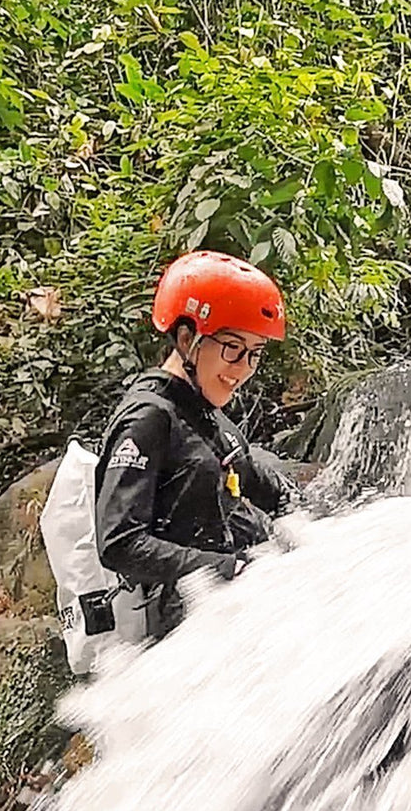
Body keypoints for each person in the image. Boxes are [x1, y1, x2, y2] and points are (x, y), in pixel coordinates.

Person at [93, 250, 295, 641]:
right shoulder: (148, 419)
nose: (242, 370)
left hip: (240, 607)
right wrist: (228, 568)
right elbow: (119, 542)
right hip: (187, 631)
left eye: (254, 354)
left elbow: (259, 483)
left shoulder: (206, 414)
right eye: (232, 348)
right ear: (187, 338)